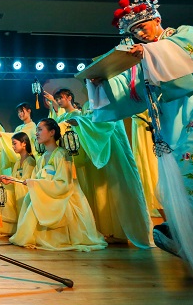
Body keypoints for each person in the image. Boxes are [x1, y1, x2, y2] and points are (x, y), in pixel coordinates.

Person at [88, 0, 193, 286]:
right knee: (177, 181)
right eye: (134, 32)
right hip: (169, 120)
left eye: (142, 26)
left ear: (156, 19)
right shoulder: (143, 55)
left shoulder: (182, 35)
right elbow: (133, 92)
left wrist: (149, 54)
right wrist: (102, 82)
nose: (140, 34)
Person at [43, 88, 154, 248]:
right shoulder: (79, 110)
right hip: (86, 156)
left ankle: (120, 233)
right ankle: (102, 230)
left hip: (104, 152)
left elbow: (102, 124)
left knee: (112, 193)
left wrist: (80, 123)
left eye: (61, 98)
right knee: (96, 195)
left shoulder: (104, 104)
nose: (59, 101)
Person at [8, 118, 107, 251]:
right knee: (30, 200)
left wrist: (38, 183)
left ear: (52, 132)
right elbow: (33, 180)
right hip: (45, 194)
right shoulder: (42, 158)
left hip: (61, 196)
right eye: (36, 130)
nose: (36, 133)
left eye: (40, 130)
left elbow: (63, 183)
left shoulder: (62, 154)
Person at [0, 131, 35, 236]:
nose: (13, 146)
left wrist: (9, 180)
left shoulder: (30, 161)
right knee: (0, 192)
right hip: (16, 189)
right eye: (12, 144)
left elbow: (26, 182)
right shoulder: (18, 162)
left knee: (3, 194)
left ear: (24, 143)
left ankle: (8, 228)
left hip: (25, 192)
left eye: (15, 143)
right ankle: (1, 227)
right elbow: (13, 180)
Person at [0, 102, 37, 176]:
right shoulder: (19, 127)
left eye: (22, 111)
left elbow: (20, 136)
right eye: (18, 112)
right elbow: (12, 138)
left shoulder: (32, 125)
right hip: (18, 159)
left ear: (29, 111)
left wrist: (2, 135)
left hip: (27, 158)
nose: (20, 114)